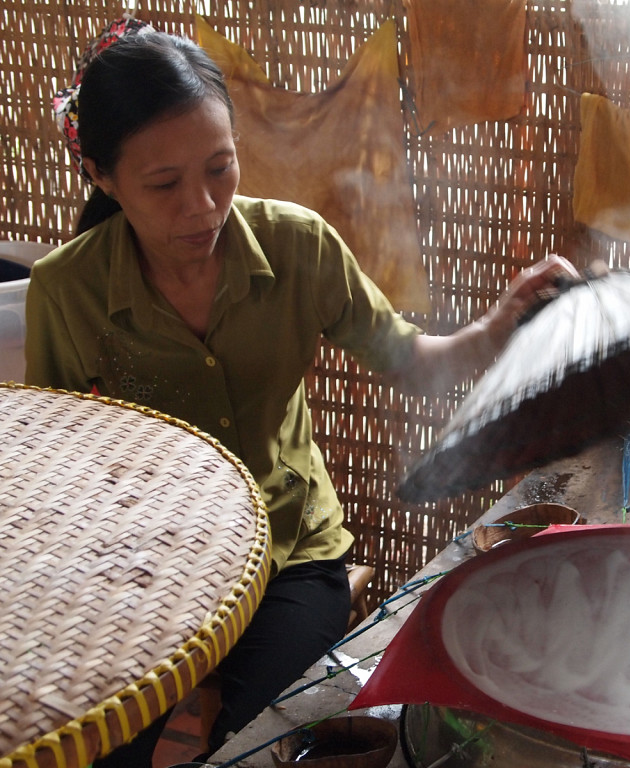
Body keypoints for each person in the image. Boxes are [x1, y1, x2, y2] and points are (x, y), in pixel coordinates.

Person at [27, 19, 576, 766]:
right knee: (97, 750)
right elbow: (59, 467)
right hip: (139, 576)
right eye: (163, 184)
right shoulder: (68, 288)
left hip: (290, 553)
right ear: (100, 174)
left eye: (221, 168)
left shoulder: (298, 245)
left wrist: (501, 324)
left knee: (262, 740)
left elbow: (413, 362)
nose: (202, 206)